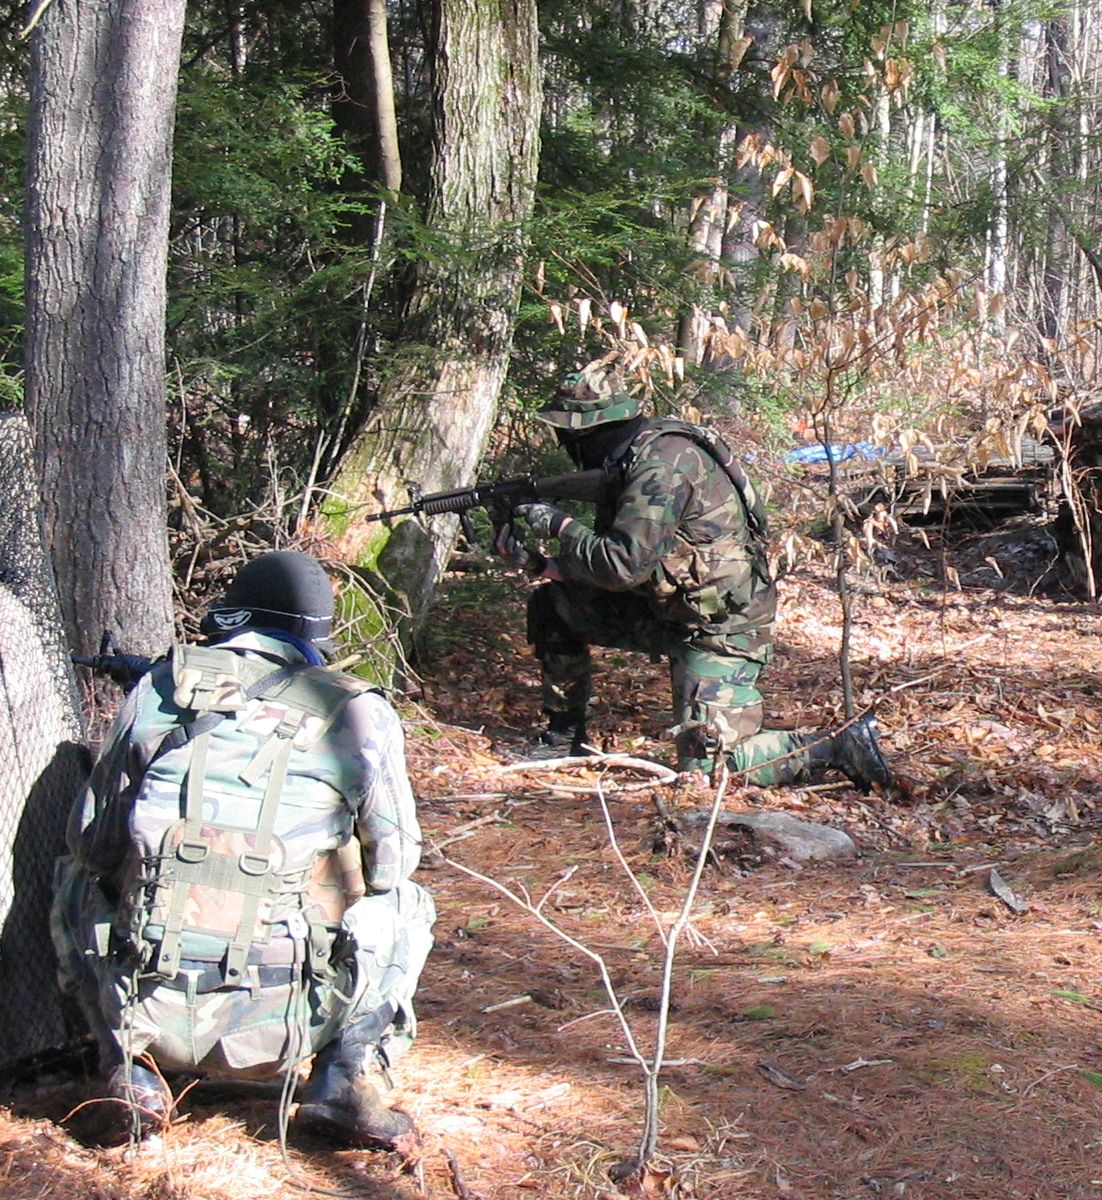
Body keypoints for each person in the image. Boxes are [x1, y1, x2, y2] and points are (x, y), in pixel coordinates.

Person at [51, 551, 435, 1148]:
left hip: (147, 1001)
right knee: (406, 903)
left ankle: (129, 1074)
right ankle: (344, 1079)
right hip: (290, 1020)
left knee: (72, 876)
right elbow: (394, 862)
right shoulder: (361, 710)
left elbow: (91, 843)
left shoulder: (160, 686)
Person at [496, 360, 893, 792]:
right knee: (554, 605)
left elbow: (622, 565)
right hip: (666, 610)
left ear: (586, 431)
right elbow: (633, 565)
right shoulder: (638, 455)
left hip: (721, 628)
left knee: (711, 770)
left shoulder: (661, 466)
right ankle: (563, 736)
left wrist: (558, 524)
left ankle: (837, 745)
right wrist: (543, 566)